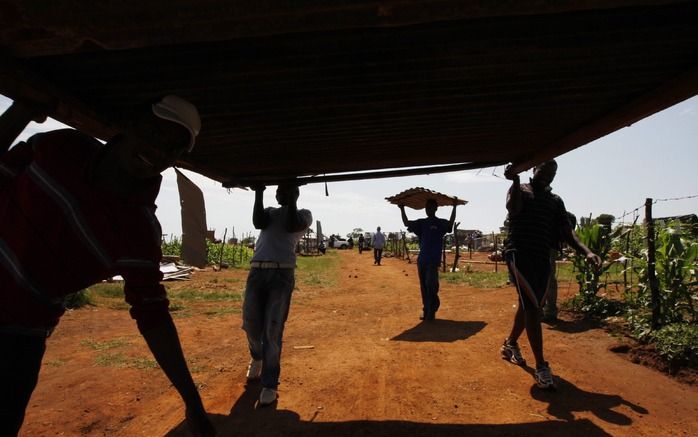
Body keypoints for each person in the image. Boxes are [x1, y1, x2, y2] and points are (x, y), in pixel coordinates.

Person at [0, 97, 215, 436]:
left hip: (14, 344)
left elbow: (153, 315)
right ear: (132, 124)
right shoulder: (61, 147)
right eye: (155, 133)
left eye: (172, 149)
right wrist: (21, 109)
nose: (158, 150)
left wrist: (193, 402)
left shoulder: (139, 233)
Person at [501, 160, 601, 390]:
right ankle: (541, 366)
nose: (547, 176)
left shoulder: (556, 201)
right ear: (534, 169)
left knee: (529, 304)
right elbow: (513, 208)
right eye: (544, 171)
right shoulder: (521, 190)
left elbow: (568, 232)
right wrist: (515, 179)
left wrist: (587, 251)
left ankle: (510, 344)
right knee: (533, 308)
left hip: (542, 257)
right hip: (519, 254)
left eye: (552, 173)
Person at [242, 183, 312, 406]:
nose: (280, 194)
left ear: (295, 194)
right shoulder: (270, 213)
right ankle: (256, 356)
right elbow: (257, 222)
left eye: (286, 191)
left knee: (273, 330)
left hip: (281, 276)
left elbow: (291, 225)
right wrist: (259, 192)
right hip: (257, 272)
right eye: (279, 191)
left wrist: (292, 199)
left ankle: (270, 383)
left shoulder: (304, 215)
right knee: (251, 324)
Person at [399, 199, 457, 321]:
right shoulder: (421, 223)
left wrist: (454, 207)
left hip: (433, 260)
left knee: (431, 284)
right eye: (426, 207)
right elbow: (406, 223)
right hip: (422, 260)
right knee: (424, 287)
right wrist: (402, 208)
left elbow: (450, 225)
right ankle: (427, 309)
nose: (428, 209)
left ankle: (432, 308)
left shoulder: (440, 223)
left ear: (436, 209)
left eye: (430, 207)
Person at [542, 211, 578, 323]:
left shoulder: (560, 218)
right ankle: (543, 310)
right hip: (544, 245)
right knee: (545, 278)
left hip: (547, 246)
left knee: (548, 278)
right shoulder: (555, 218)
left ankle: (549, 312)